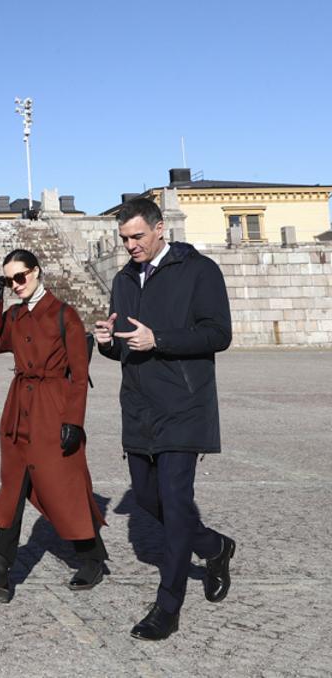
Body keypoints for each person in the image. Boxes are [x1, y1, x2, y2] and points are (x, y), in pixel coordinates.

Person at [93, 198, 235, 641]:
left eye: (137, 237)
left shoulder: (200, 270)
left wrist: (161, 340)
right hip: (138, 408)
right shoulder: (122, 279)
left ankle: (167, 606)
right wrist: (105, 342)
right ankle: (215, 546)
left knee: (175, 505)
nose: (130, 245)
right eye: (124, 239)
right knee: (151, 502)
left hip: (184, 405)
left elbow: (219, 334)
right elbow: (123, 345)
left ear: (159, 231)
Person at [0, 248, 107, 603]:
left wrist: (73, 420)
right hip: (18, 411)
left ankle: (92, 558)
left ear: (37, 272)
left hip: (53, 409)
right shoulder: (13, 315)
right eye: (8, 280)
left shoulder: (65, 315)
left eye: (19, 277)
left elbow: (79, 374)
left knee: (62, 488)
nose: (15, 285)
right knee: (12, 490)